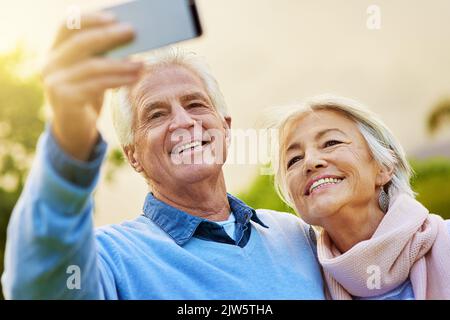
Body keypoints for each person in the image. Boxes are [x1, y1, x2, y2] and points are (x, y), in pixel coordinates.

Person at [1, 12, 324, 299]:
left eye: (195, 103)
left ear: (225, 129)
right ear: (133, 156)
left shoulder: (295, 234)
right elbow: (38, 289)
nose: (183, 122)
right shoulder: (110, 258)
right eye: (156, 115)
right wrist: (69, 140)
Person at [272, 94, 450, 300]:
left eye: (330, 142)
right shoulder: (298, 285)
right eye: (294, 159)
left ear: (384, 167)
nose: (311, 162)